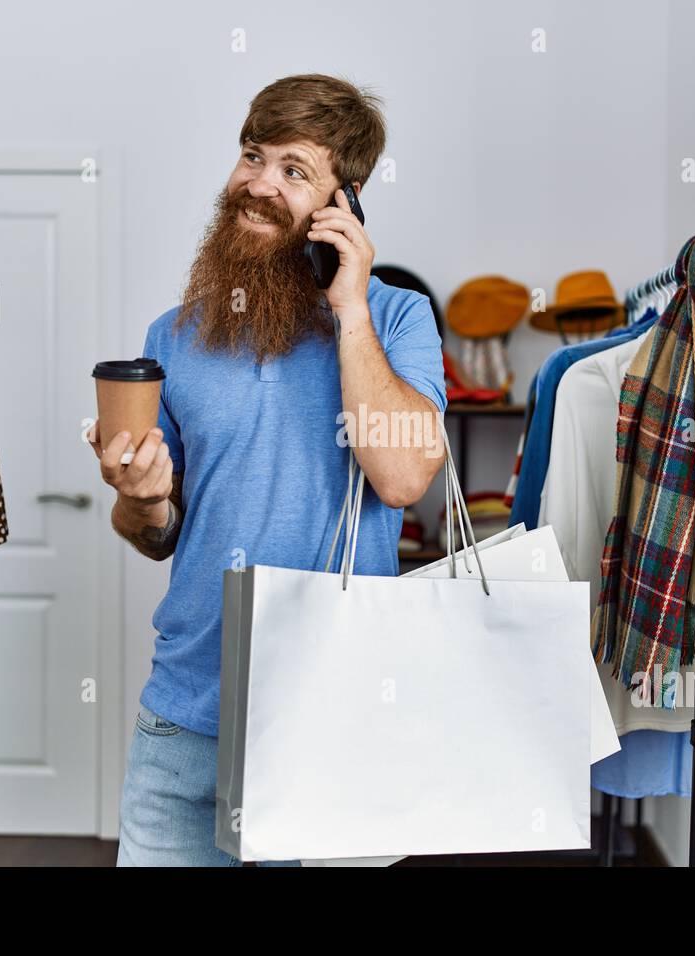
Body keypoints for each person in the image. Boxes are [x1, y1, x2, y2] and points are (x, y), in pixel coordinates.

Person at [91, 74, 447, 866]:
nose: (259, 185)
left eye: (295, 170)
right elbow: (154, 534)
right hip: (186, 722)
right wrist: (142, 499)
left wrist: (349, 307)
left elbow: (400, 479)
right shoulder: (173, 334)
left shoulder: (393, 318)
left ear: (343, 204)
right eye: (253, 156)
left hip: (340, 718)